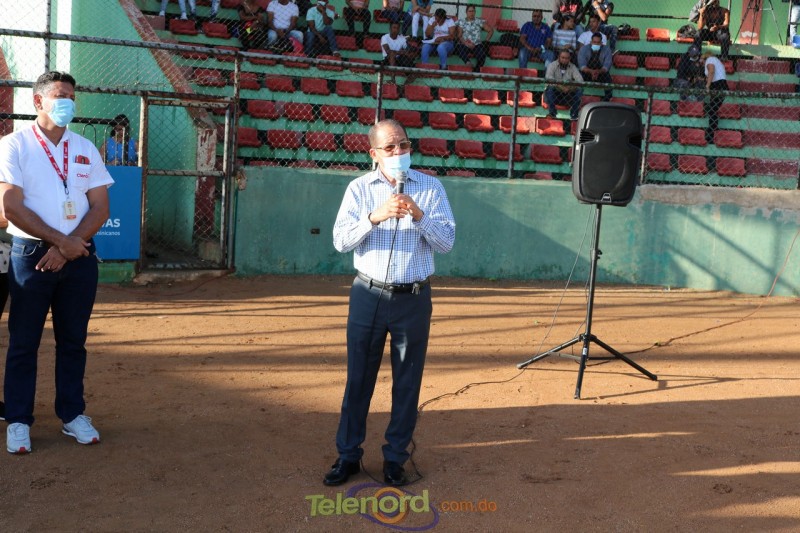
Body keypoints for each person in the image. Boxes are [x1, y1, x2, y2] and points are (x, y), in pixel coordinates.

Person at [324, 119, 455, 487]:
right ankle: (348, 455)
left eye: (404, 145)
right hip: (368, 295)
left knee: (407, 382)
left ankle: (395, 459)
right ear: (374, 153)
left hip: (412, 298)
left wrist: (419, 215)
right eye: (390, 147)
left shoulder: (431, 188)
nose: (399, 152)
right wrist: (374, 216)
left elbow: (446, 242)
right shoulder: (358, 189)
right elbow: (340, 241)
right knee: (358, 379)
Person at [0, 71, 113, 454]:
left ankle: (72, 414)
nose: (68, 102)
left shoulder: (85, 147)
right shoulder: (14, 145)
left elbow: (100, 206)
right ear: (38, 101)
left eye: (72, 96)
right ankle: (18, 419)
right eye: (61, 95)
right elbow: (12, 207)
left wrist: (67, 247)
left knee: (73, 341)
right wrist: (59, 242)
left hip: (79, 256)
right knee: (23, 341)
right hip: (32, 256)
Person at [545, 49, 584, 120]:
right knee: (550, 88)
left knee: (580, 89)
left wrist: (569, 88)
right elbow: (549, 79)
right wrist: (561, 87)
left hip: (568, 94)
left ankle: (574, 115)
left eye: (567, 58)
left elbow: (580, 80)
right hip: (555, 94)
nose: (565, 60)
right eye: (563, 58)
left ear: (570, 58)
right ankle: (552, 114)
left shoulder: (573, 67)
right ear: (558, 57)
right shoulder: (552, 65)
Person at [454, 4, 494, 70]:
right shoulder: (461, 21)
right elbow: (459, 35)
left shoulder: (479, 21)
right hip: (465, 44)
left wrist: (486, 41)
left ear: (475, 12)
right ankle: (468, 62)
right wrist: (466, 43)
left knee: (482, 55)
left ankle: (476, 71)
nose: (472, 13)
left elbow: (490, 30)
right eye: (470, 11)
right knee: (459, 48)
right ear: (466, 12)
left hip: (476, 44)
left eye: (473, 11)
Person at [577, 32, 613, 101]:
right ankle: (578, 99)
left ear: (601, 43)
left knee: (608, 79)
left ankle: (607, 101)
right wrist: (591, 72)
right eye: (594, 42)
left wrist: (597, 72)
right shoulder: (584, 49)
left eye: (598, 42)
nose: (596, 44)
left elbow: (606, 66)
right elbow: (582, 66)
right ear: (591, 42)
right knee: (578, 77)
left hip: (600, 73)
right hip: (586, 73)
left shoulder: (607, 49)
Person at [703, 50, 728, 142]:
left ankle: (711, 134)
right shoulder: (717, 61)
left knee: (712, 109)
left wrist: (707, 85)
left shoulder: (710, 59)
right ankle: (712, 132)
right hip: (721, 85)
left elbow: (711, 71)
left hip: (718, 85)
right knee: (713, 109)